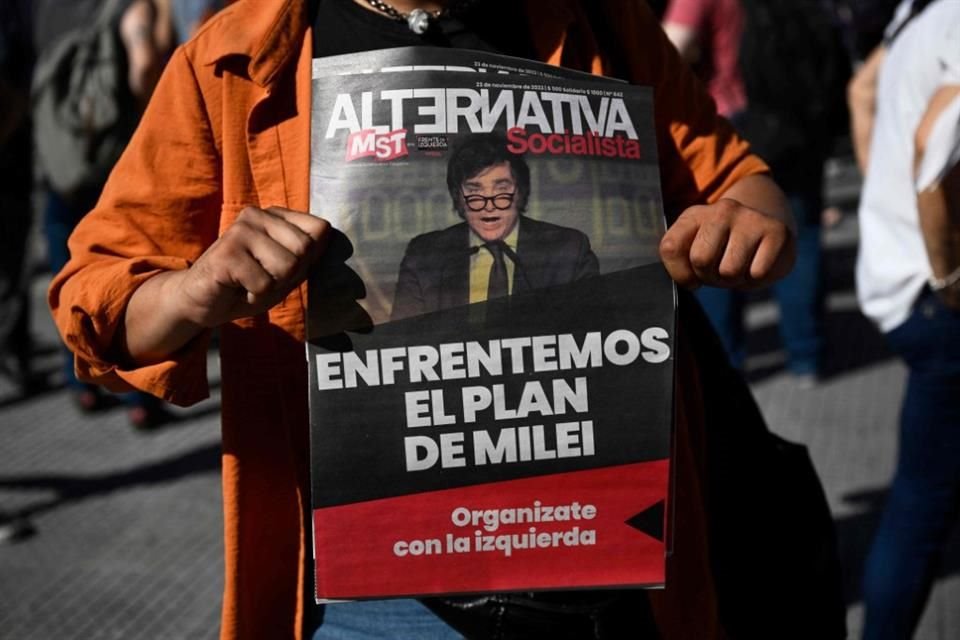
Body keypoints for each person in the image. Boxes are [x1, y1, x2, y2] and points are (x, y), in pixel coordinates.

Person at [48, 0, 800, 637]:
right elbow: (98, 303)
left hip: (609, 569)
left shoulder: (598, 19)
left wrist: (747, 226)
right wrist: (193, 291)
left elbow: (737, 177)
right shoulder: (236, 59)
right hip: (381, 595)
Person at [663, 0, 841, 384]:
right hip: (798, 123)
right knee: (800, 236)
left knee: (719, 247)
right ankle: (806, 356)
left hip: (729, 122)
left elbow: (673, 48)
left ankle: (727, 368)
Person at [854, 1, 960, 638]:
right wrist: (950, 280)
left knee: (924, 495)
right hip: (933, 297)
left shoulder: (921, 13)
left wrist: (882, 193)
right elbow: (933, 139)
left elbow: (860, 90)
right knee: (920, 506)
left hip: (900, 278)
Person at [392, 132, 599, 320]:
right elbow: (404, 343)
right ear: (458, 198)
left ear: (520, 192)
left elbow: (593, 336)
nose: (489, 206)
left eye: (502, 189)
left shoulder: (569, 252)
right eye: (474, 191)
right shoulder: (424, 257)